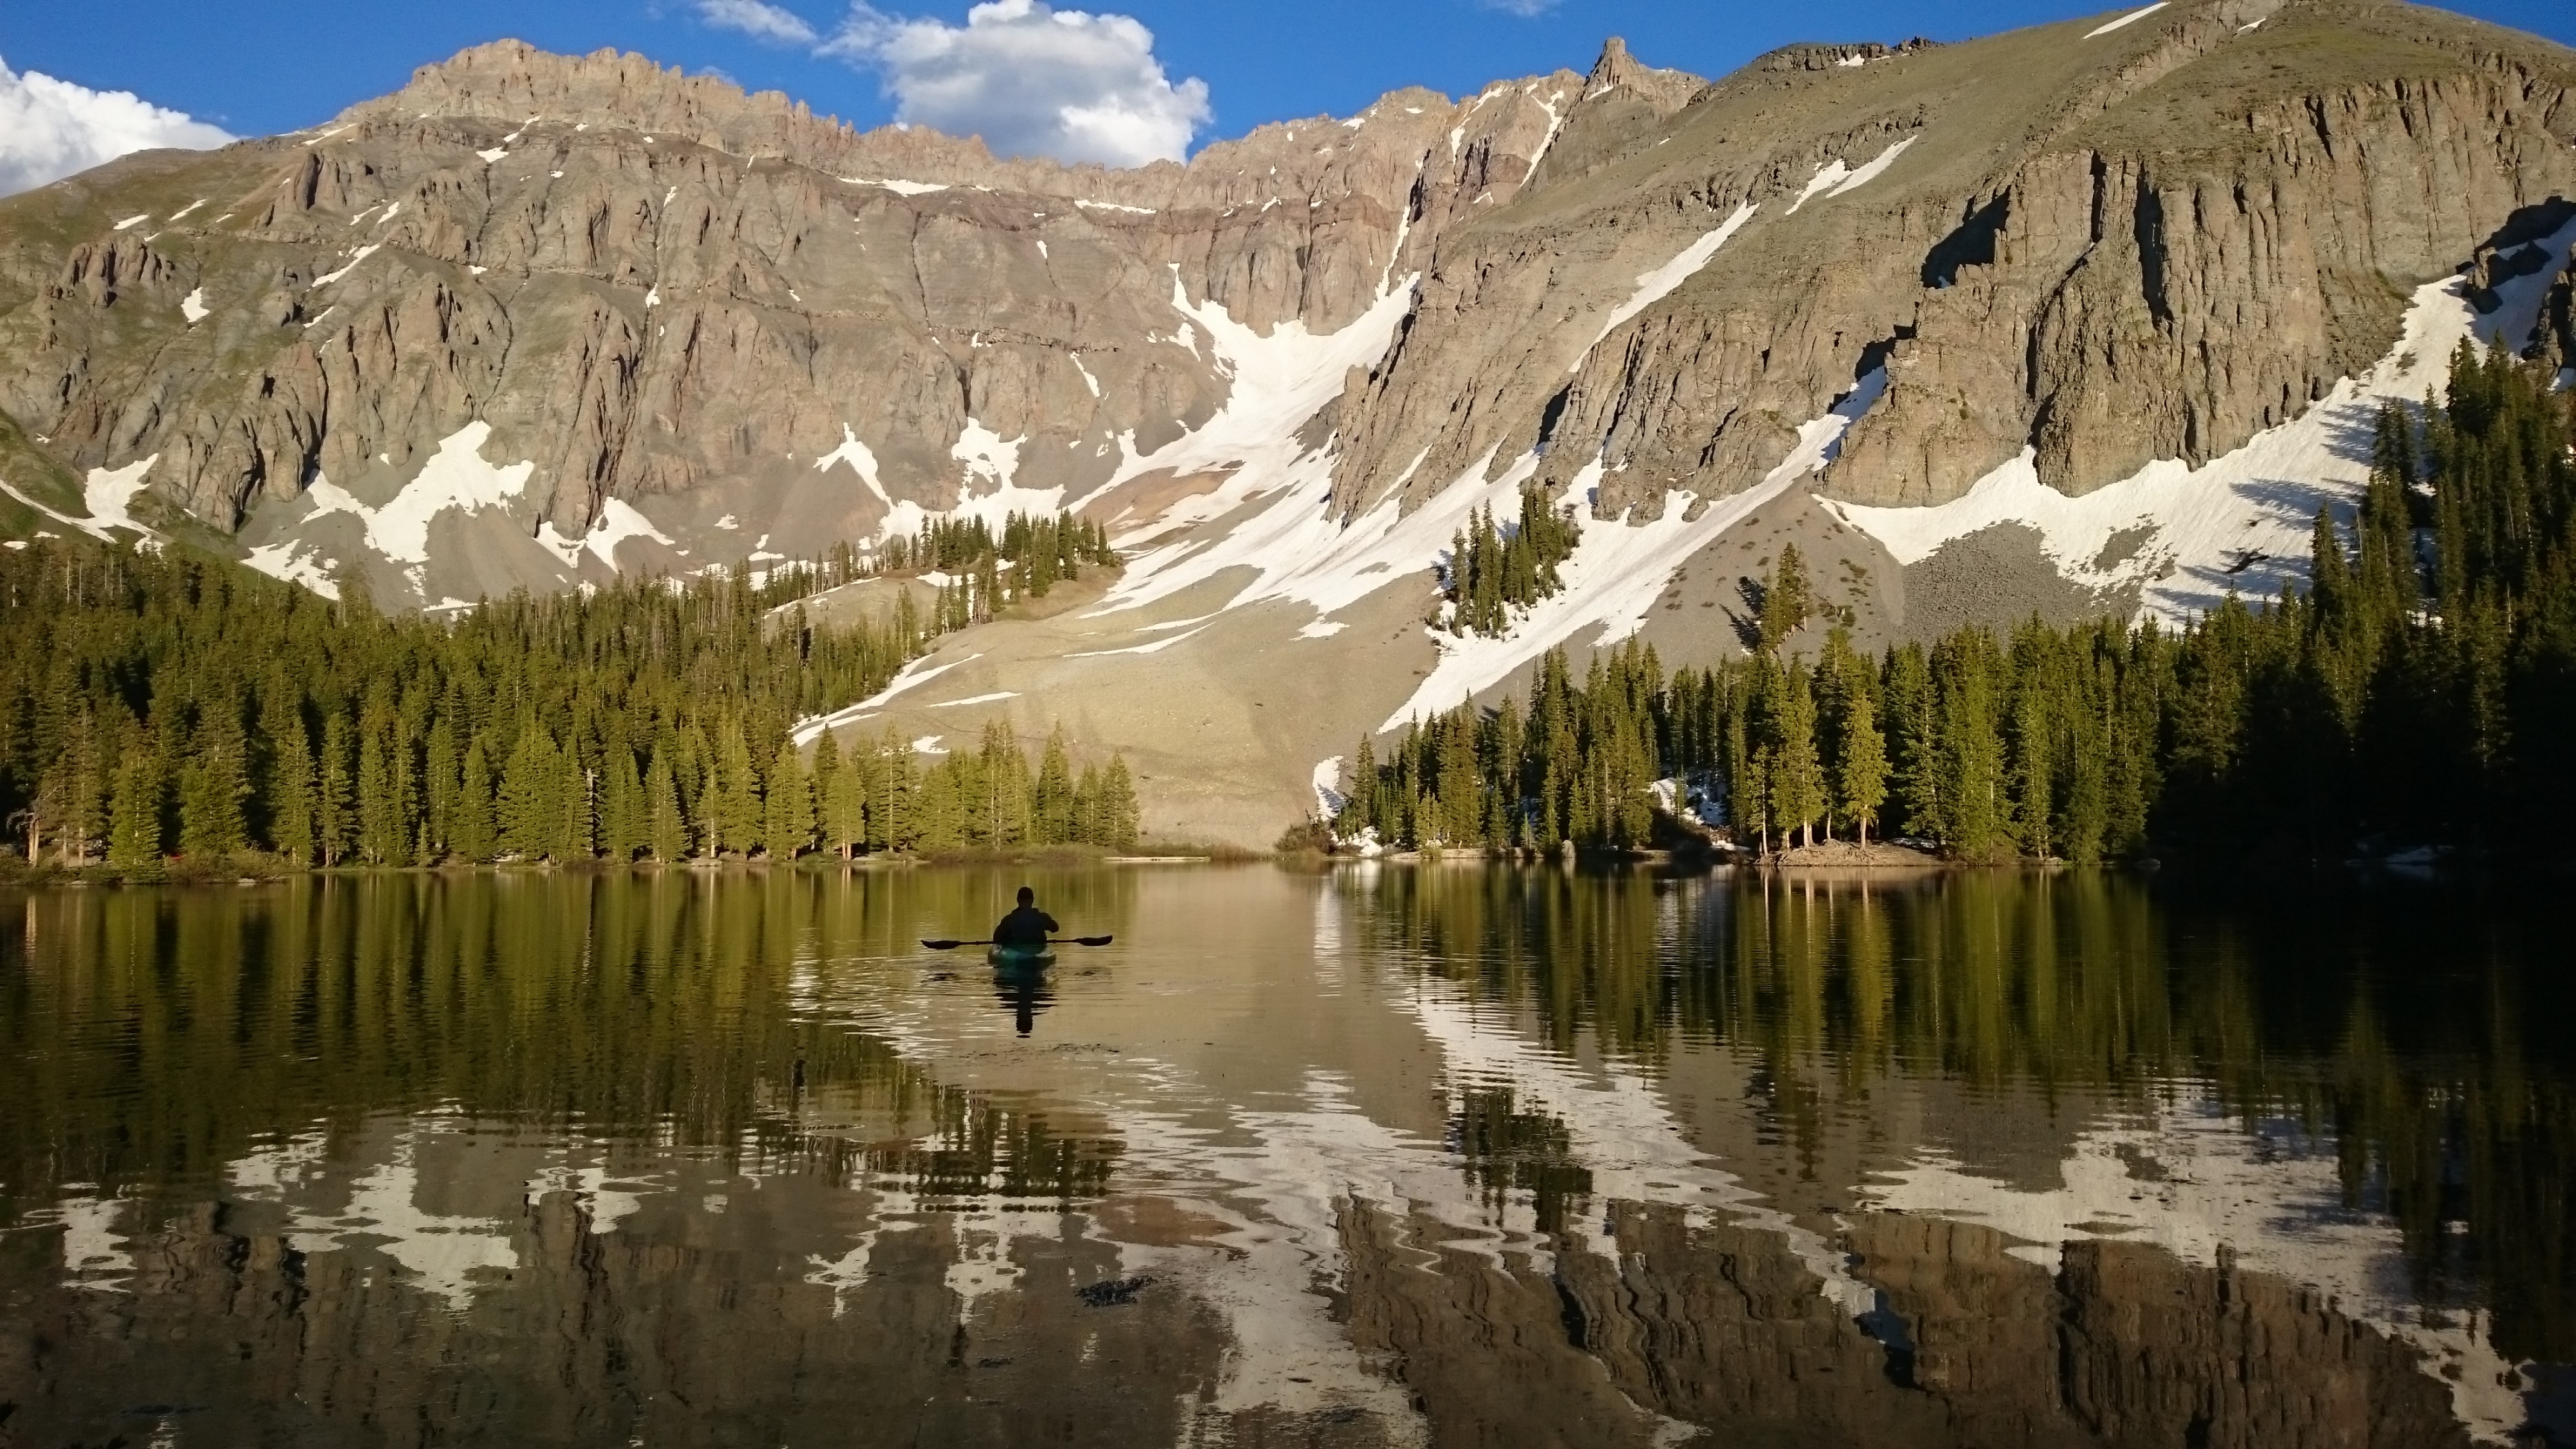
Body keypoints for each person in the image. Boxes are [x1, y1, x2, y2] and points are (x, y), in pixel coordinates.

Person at [992, 886, 1057, 947]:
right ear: (1032, 900)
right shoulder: (1042, 917)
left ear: (1018, 900)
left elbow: (996, 938)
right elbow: (1055, 928)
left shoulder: (1009, 919)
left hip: (1015, 948)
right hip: (1036, 948)